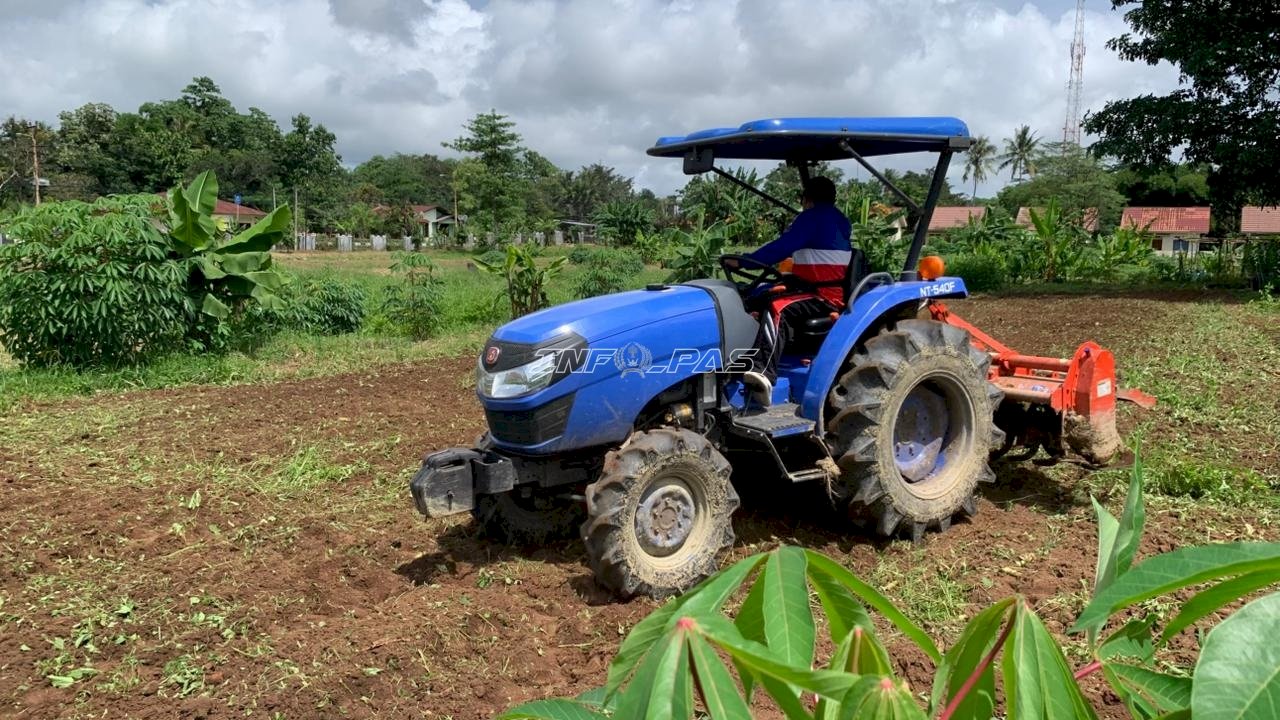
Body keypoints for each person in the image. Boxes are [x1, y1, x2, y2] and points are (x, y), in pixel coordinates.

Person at [736, 176, 852, 406]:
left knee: (778, 307)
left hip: (823, 295)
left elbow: (782, 247)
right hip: (808, 285)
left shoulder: (813, 218)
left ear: (807, 198)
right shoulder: (839, 219)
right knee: (756, 294)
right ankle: (742, 357)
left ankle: (763, 373)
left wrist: (744, 262)